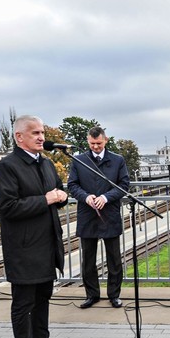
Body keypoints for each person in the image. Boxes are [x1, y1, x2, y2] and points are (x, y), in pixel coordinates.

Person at [0, 115, 73, 338]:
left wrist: (61, 197)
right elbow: (7, 207)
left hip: (47, 244)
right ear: (19, 137)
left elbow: (57, 191)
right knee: (24, 303)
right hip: (24, 249)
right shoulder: (8, 167)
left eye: (42, 132)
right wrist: (47, 199)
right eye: (35, 133)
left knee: (43, 298)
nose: (41, 137)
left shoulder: (47, 164)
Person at [67, 126, 130, 309]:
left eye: (99, 143)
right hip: (87, 214)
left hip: (109, 214)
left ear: (106, 140)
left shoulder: (118, 160)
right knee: (88, 260)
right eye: (92, 143)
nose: (95, 147)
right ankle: (91, 295)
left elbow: (124, 184)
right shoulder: (79, 161)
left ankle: (114, 295)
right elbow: (72, 184)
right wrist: (86, 197)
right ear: (88, 141)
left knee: (114, 260)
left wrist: (105, 197)